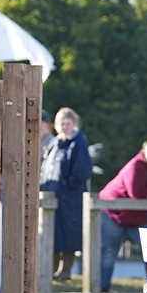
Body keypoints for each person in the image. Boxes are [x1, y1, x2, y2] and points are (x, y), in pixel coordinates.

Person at [98, 139, 147, 291]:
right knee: (108, 252)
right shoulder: (135, 166)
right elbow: (137, 193)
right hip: (114, 214)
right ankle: (102, 288)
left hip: (141, 217)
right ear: (144, 154)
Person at [40, 107, 92, 281]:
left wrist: (66, 186)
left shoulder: (78, 142)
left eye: (68, 123)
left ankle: (66, 270)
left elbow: (82, 170)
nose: (64, 126)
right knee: (52, 232)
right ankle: (52, 268)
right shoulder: (56, 143)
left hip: (70, 198)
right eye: (62, 123)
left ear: (74, 124)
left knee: (69, 234)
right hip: (53, 196)